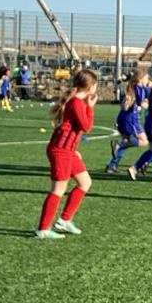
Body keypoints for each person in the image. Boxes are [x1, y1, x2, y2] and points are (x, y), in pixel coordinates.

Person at [35, 70, 98, 239]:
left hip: (68, 150)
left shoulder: (77, 101)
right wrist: (90, 108)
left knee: (85, 182)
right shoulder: (77, 102)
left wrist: (74, 150)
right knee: (58, 189)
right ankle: (43, 229)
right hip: (60, 151)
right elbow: (86, 127)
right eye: (95, 85)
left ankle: (64, 220)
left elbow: (72, 129)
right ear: (90, 87)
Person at [106, 70, 150, 173]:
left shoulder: (133, 87)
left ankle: (112, 165)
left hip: (122, 117)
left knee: (127, 143)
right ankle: (119, 144)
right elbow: (141, 103)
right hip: (131, 120)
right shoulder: (139, 88)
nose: (148, 80)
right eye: (146, 78)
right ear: (140, 79)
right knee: (144, 141)